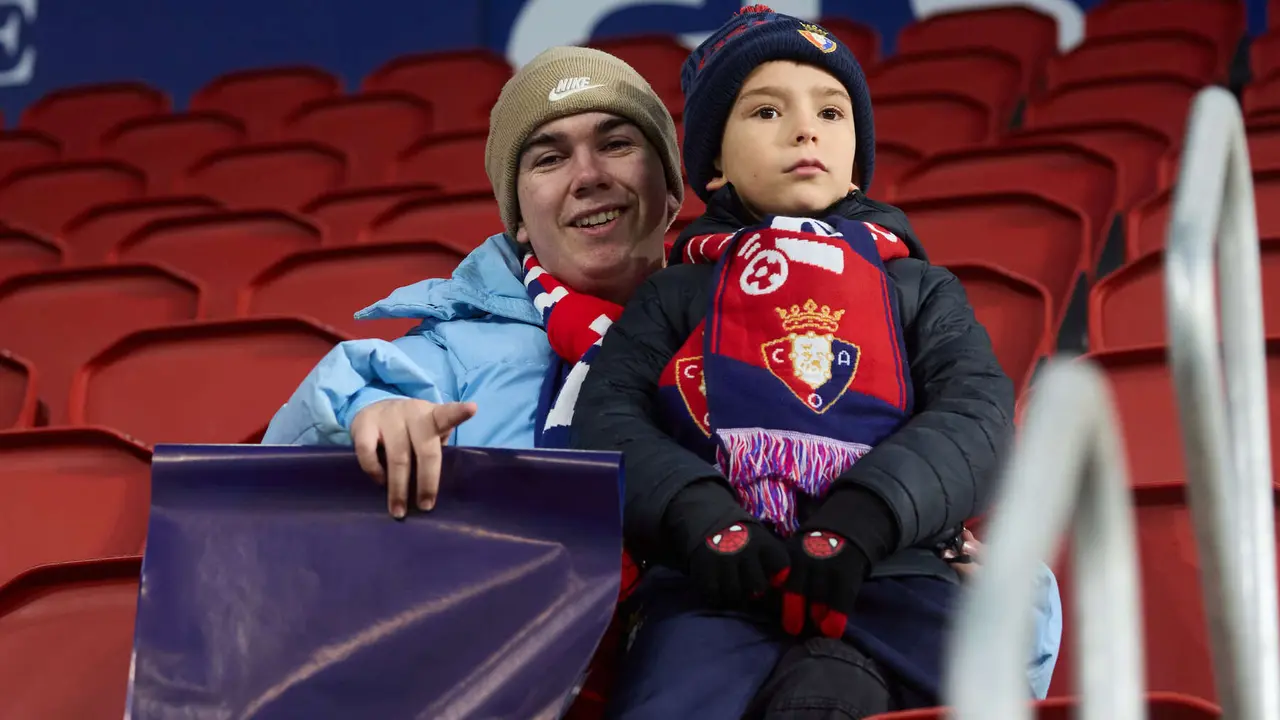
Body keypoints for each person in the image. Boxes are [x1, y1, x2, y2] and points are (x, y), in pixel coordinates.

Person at [260, 43, 1060, 716]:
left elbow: (970, 439)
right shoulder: (450, 354)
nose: (587, 176)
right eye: (547, 158)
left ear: (677, 183)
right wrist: (369, 421)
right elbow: (279, 497)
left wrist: (906, 531)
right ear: (515, 212)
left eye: (616, 144)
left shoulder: (844, 301)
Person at [569, 7, 1057, 718]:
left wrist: (865, 516)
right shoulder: (676, 291)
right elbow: (607, 419)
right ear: (712, 162)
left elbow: (976, 417)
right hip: (714, 586)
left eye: (832, 113)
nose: (805, 130)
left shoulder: (915, 286)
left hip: (896, 572)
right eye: (765, 111)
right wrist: (699, 513)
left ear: (856, 153)